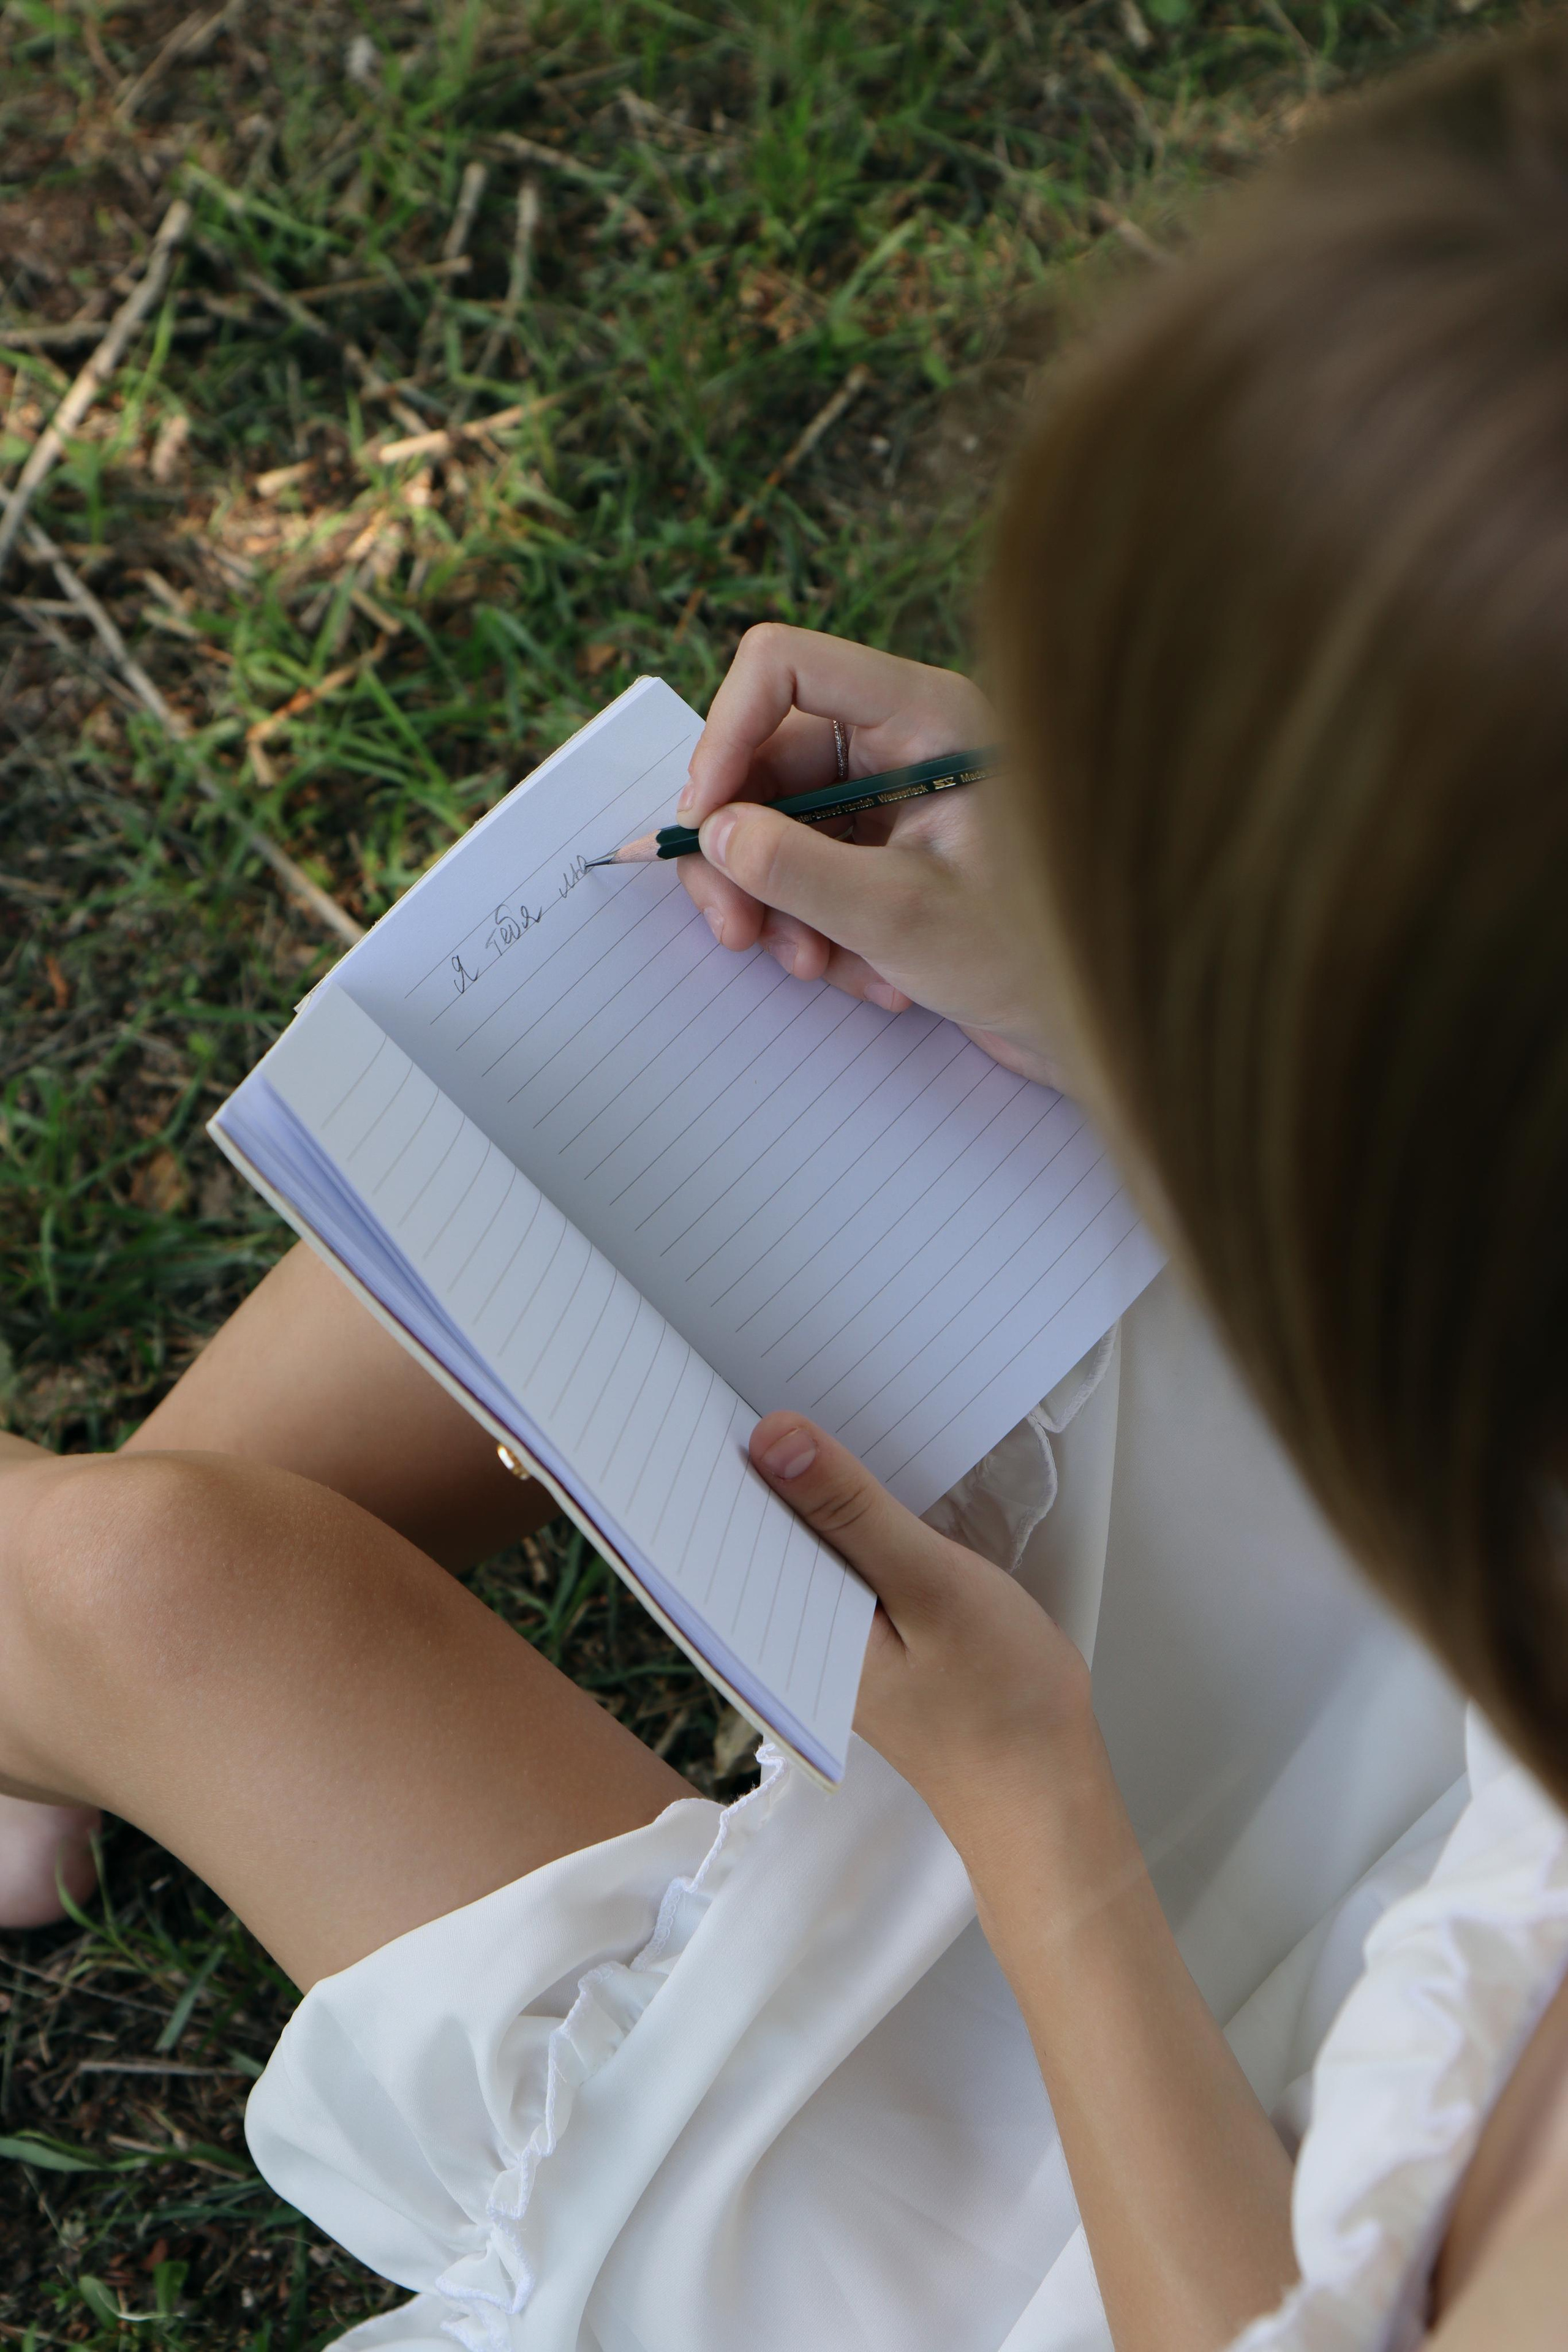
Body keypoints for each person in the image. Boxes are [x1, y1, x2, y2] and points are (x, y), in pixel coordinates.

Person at [2, 20, 1566, 2350]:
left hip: (1132, 2210)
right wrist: (1104, 963)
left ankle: (68, 1683)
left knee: (146, 1584)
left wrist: (1031, 1802)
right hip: (1407, 1636)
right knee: (692, 1073)